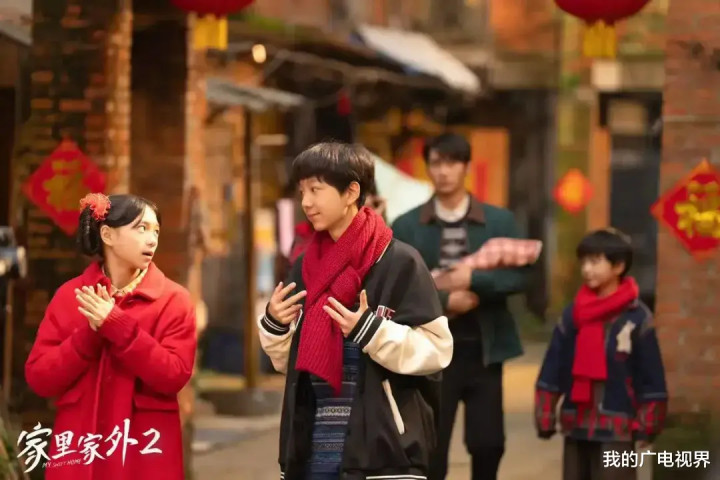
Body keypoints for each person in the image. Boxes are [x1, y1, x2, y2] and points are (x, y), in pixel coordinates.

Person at [258, 142, 453, 480]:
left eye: (316, 190)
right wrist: (276, 324)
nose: (306, 202)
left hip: (384, 452)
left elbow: (437, 350)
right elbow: (292, 366)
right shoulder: (305, 266)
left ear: (351, 192)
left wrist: (371, 331)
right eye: (302, 191)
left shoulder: (399, 262)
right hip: (314, 449)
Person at [25, 193, 197, 480]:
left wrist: (117, 325)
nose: (152, 240)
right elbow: (39, 378)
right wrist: (88, 336)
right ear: (107, 235)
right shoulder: (70, 297)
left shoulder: (173, 300)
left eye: (156, 231)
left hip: (144, 458)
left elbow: (174, 374)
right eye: (141, 229)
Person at [392, 133, 528, 480]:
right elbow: (396, 285)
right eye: (436, 163)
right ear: (427, 168)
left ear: (466, 167)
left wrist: (475, 281)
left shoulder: (498, 221)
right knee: (432, 445)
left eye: (452, 163)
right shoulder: (407, 225)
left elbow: (521, 277)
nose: (444, 171)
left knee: (488, 444)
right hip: (431, 353)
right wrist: (444, 300)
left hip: (484, 348)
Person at [534, 228, 667, 480]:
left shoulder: (637, 318)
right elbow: (554, 365)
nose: (587, 269)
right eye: (584, 262)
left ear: (618, 266)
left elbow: (650, 375)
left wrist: (648, 424)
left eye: (595, 262)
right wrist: (545, 412)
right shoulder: (573, 315)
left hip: (619, 425)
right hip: (577, 423)